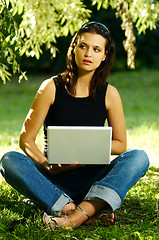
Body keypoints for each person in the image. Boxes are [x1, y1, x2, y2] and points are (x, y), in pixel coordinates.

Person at [0, 21, 149, 229]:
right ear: (74, 48)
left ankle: (72, 216)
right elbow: (26, 139)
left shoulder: (110, 94)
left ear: (104, 55)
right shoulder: (51, 87)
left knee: (139, 157)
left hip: (94, 179)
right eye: (83, 46)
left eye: (97, 49)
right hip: (53, 179)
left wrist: (87, 152)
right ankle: (84, 210)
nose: (89, 53)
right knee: (9, 161)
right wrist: (48, 166)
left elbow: (120, 144)